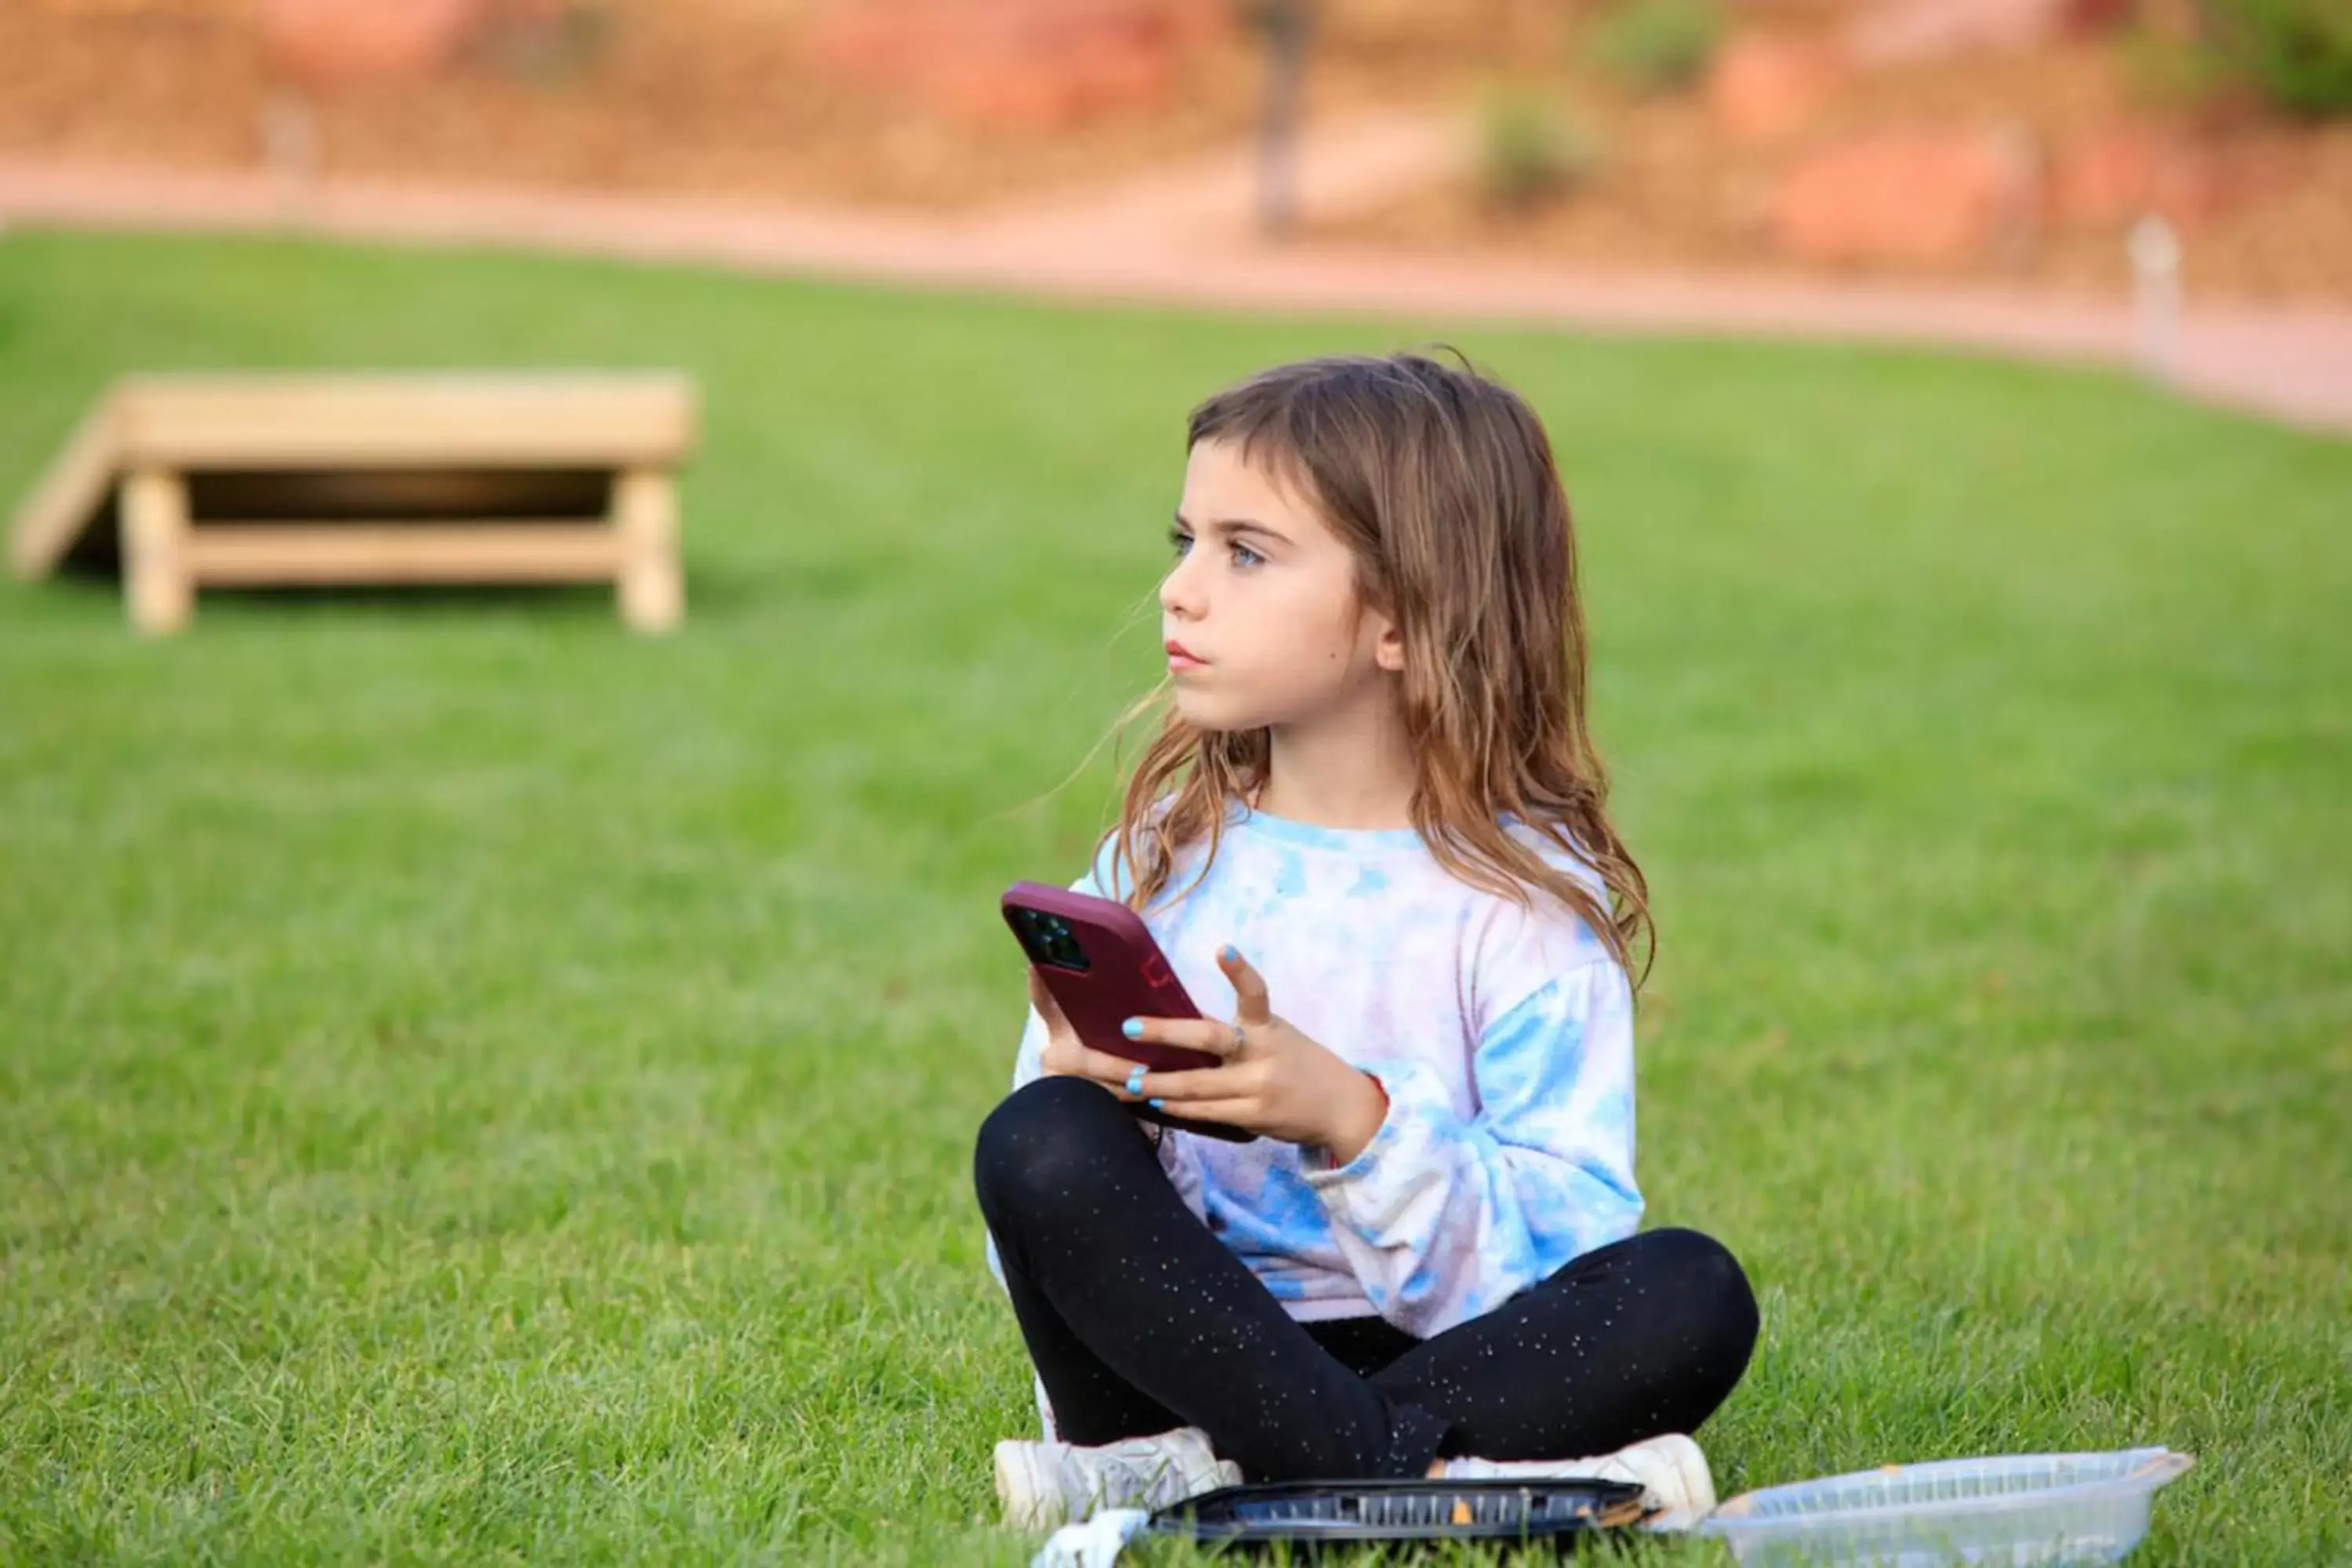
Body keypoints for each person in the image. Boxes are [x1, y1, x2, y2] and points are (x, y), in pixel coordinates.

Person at [975, 351, 1759, 1532]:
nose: (1181, 591)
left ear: (1400, 618)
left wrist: (1355, 1122)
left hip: (1449, 1357)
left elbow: (1564, 1255)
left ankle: (1238, 1490)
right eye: (1183, 540)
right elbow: (1042, 1242)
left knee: (1692, 1289)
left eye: (1245, 553)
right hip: (1178, 1364)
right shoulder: (1163, 857)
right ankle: (1416, 1489)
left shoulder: (1527, 908)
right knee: (1038, 1138)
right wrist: (1122, 1107)